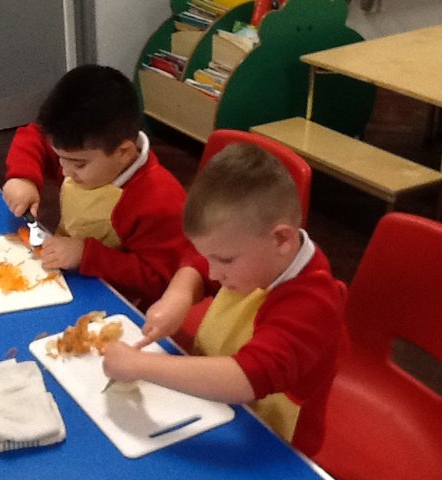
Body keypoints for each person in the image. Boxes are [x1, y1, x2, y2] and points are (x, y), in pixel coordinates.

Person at [102, 143, 346, 456]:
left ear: (281, 238)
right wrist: (179, 294)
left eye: (225, 261)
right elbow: (199, 263)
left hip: (271, 443)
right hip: (221, 408)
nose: (215, 274)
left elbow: (246, 377)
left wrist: (139, 365)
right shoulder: (253, 254)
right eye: (211, 259)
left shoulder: (313, 304)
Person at [2, 64, 191, 310]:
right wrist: (22, 178)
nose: (66, 171)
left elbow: (158, 280)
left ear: (123, 152)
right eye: (59, 158)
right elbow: (34, 136)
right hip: (70, 275)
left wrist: (86, 255)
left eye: (78, 164)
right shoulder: (86, 150)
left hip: (121, 305)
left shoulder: (159, 201)